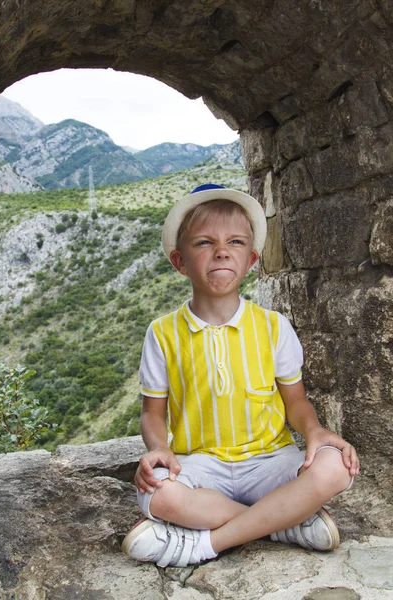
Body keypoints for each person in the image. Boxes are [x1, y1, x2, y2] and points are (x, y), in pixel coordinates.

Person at [122, 183, 360, 568]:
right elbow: (153, 412)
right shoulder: (162, 333)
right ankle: (285, 520)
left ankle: (203, 544)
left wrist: (314, 431)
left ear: (250, 261)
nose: (221, 251)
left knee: (335, 466)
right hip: (199, 465)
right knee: (158, 495)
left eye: (234, 242)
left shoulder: (273, 326)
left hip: (270, 461)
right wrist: (158, 449)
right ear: (179, 261)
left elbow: (295, 401)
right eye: (204, 243)